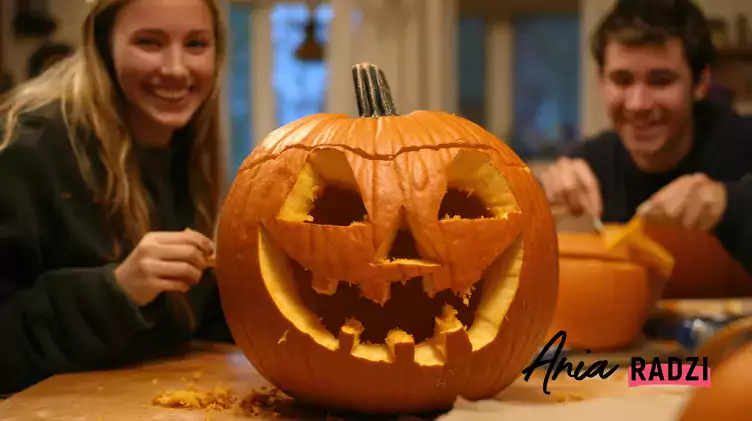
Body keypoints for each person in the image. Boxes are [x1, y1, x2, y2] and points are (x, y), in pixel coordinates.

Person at [0, 0, 232, 396]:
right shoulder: (28, 146)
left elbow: (195, 321)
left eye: (196, 44)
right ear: (103, 44)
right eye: (149, 42)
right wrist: (119, 289)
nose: (176, 69)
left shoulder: (190, 148)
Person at [539, 0, 752, 274]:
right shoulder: (586, 168)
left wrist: (726, 204)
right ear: (601, 82)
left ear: (700, 84)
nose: (638, 104)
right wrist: (541, 209)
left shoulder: (743, 144)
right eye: (622, 80)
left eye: (661, 81)